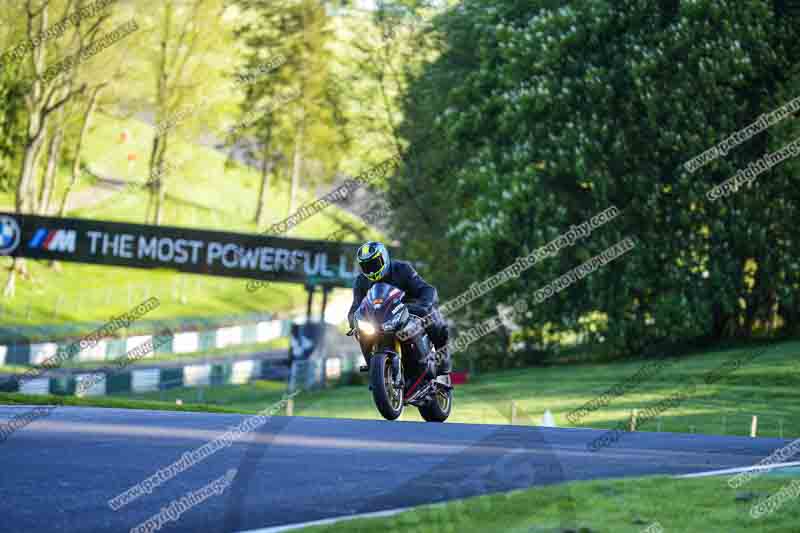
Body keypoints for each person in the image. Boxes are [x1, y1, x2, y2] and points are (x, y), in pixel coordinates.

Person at [347, 241, 451, 375]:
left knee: (433, 316)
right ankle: (374, 367)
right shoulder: (361, 281)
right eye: (366, 266)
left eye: (374, 264)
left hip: (407, 312)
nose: (371, 269)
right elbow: (356, 306)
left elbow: (424, 289)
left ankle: (443, 358)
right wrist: (353, 320)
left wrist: (424, 305)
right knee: (362, 331)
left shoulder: (402, 269)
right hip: (378, 320)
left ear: (384, 258)